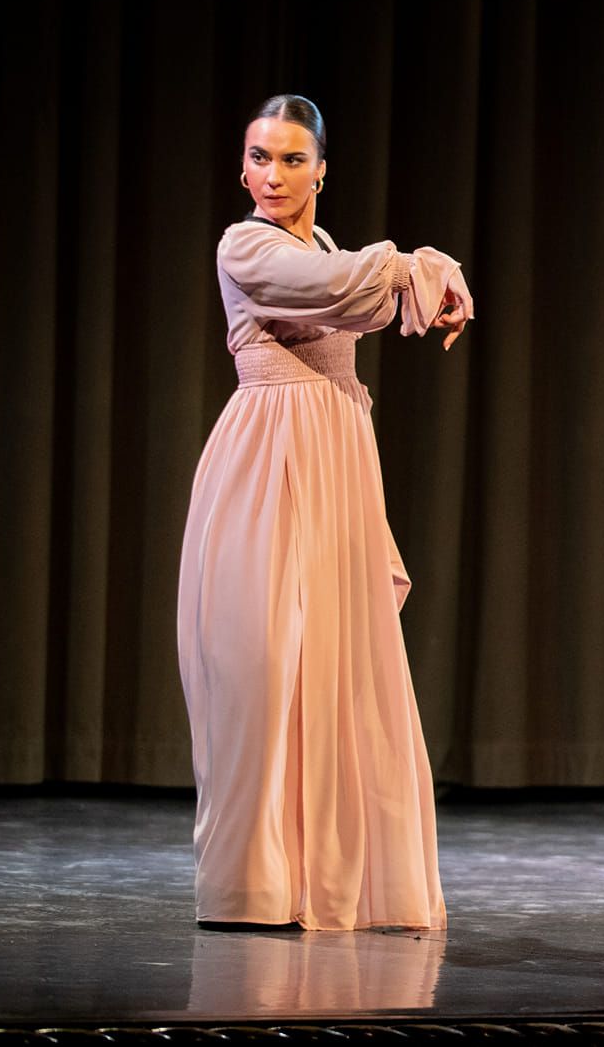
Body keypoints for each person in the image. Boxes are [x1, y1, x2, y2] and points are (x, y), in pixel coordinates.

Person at [177, 94, 471, 930]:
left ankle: (339, 875)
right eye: (261, 157)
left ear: (322, 171)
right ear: (242, 168)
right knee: (261, 662)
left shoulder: (338, 246)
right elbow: (329, 290)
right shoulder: (246, 245)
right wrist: (416, 264)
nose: (274, 174)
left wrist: (423, 280)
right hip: (268, 456)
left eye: (293, 159)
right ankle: (251, 884)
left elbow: (360, 294)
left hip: (339, 454)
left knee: (341, 663)